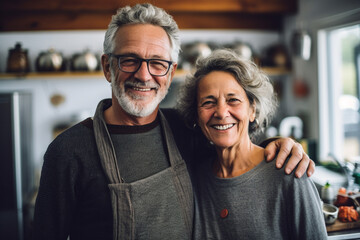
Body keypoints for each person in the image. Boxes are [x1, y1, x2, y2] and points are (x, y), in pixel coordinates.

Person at [33, 4, 315, 240]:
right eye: (130, 60)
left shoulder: (186, 129)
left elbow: (235, 149)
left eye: (157, 63)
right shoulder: (67, 152)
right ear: (108, 66)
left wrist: (278, 145)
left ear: (170, 73)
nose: (144, 75)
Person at [177, 49, 327, 239]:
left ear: (252, 110)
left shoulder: (289, 174)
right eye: (208, 102)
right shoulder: (193, 178)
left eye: (233, 100)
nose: (221, 112)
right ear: (197, 116)